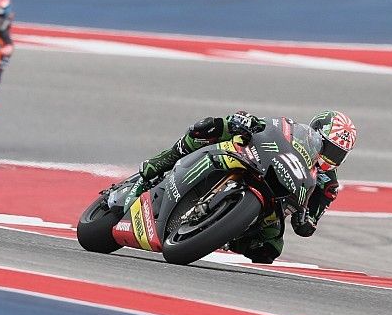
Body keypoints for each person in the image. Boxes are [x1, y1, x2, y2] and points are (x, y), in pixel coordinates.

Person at [128, 110, 357, 263]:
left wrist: (305, 221)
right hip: (254, 160)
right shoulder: (292, 129)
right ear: (315, 133)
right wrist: (247, 121)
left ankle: (222, 235)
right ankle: (164, 161)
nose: (329, 157)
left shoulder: (328, 185)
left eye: (337, 154)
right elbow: (266, 126)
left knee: (269, 250)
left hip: (274, 201)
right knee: (212, 126)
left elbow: (309, 222)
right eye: (328, 148)